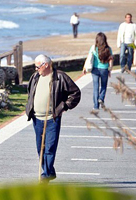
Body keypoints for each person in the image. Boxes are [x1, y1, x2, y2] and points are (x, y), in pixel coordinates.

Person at [26, 54, 81, 183]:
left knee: (50, 147)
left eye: (37, 66)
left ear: (46, 65)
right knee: (40, 148)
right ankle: (49, 171)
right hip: (37, 118)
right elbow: (30, 92)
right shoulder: (35, 77)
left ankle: (45, 175)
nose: (36, 69)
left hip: (52, 118)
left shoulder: (60, 77)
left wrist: (64, 107)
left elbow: (75, 93)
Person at [83, 32, 113, 111]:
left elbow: (89, 58)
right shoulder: (108, 49)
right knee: (103, 86)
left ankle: (96, 105)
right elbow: (111, 61)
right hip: (104, 69)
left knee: (95, 87)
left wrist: (85, 68)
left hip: (95, 69)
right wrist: (110, 69)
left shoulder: (93, 48)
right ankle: (101, 98)